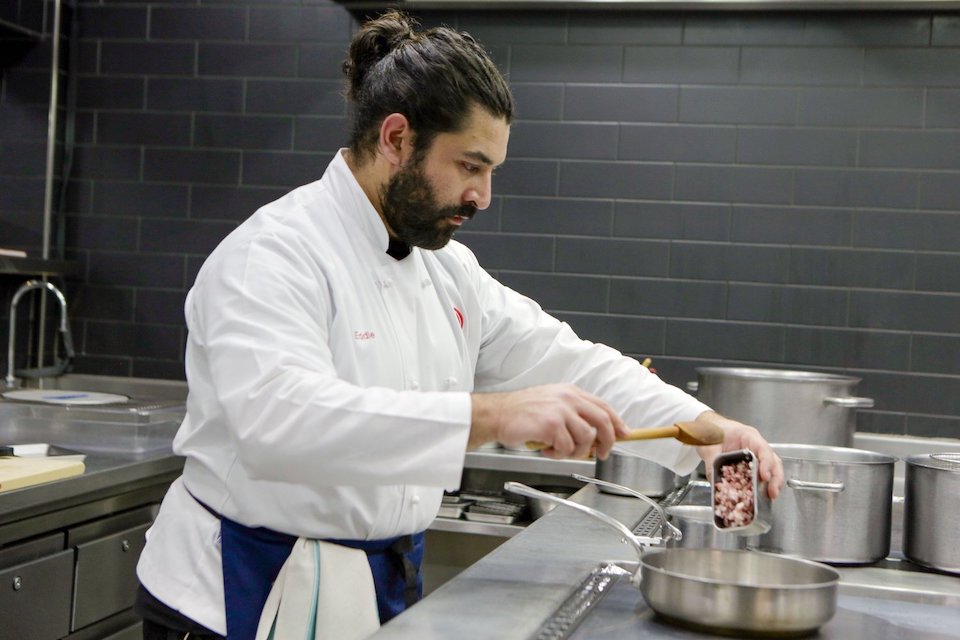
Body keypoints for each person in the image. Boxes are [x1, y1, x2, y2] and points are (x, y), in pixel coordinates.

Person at [134, 10, 784, 640]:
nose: (483, 197)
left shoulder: (447, 272)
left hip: (376, 585)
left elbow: (568, 363)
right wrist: (493, 416)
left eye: (491, 172)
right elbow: (280, 423)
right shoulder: (273, 254)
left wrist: (706, 429)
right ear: (395, 139)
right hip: (240, 593)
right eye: (470, 167)